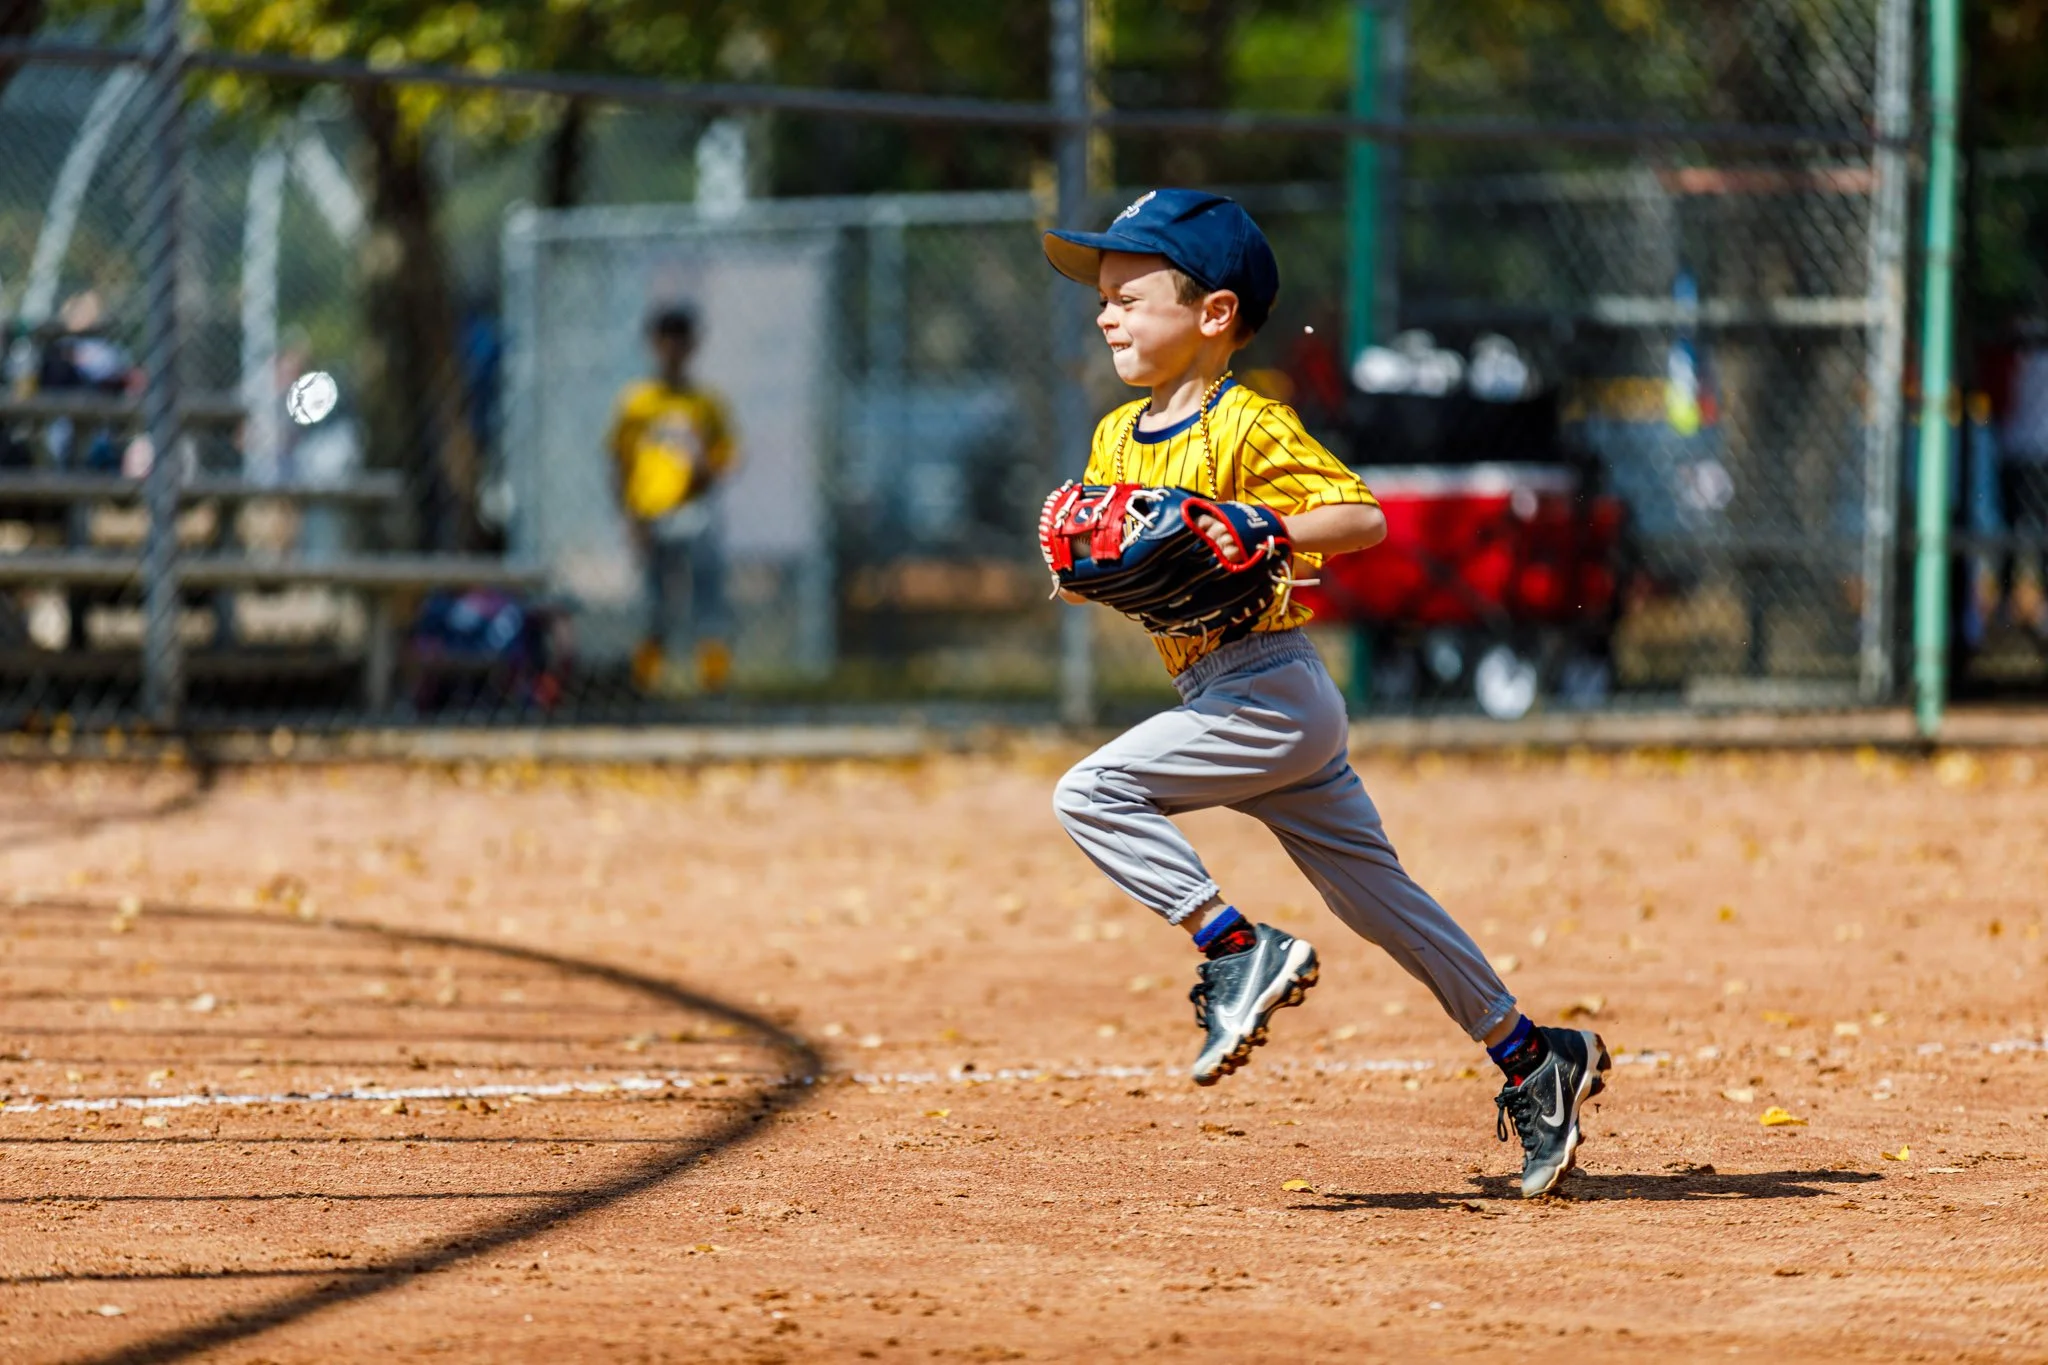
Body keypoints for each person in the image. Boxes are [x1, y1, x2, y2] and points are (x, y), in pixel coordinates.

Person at [1042, 189, 1610, 1198]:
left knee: (1089, 793)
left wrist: (1261, 530)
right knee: (1382, 903)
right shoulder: (1113, 438)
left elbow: (1358, 517)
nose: (1105, 312)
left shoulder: (1249, 422)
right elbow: (1112, 553)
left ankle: (1232, 948)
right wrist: (1093, 566)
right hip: (1223, 695)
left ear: (1213, 314)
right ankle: (1535, 1059)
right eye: (1101, 296)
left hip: (1269, 689)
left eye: (1129, 292)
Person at [607, 304, 735, 694]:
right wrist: (630, 517)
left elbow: (726, 455)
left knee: (707, 598)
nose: (674, 349)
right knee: (656, 604)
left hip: (695, 509)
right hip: (651, 513)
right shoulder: (637, 402)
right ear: (653, 344)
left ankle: (713, 680)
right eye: (666, 339)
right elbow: (620, 462)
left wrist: (703, 468)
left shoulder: (706, 402)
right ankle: (645, 681)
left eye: (683, 339)